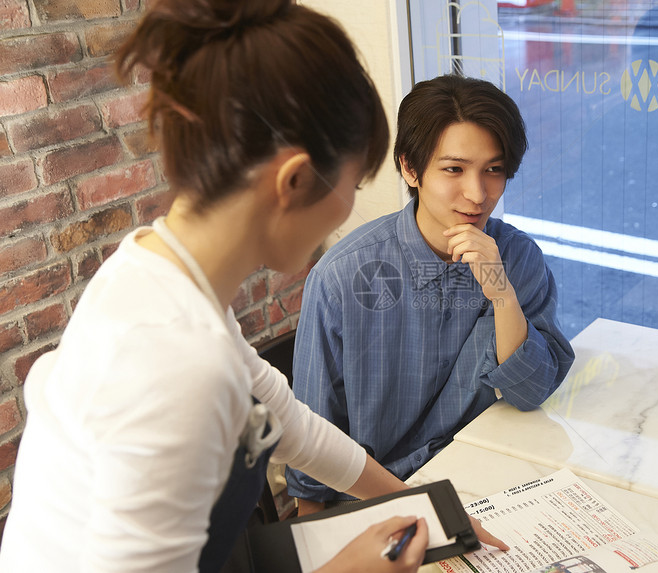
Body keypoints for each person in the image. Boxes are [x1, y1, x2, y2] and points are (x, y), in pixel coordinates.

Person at [0, 3, 506, 571]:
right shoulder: (176, 365)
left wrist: (423, 506)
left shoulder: (160, 273)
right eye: (351, 183)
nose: (347, 212)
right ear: (293, 181)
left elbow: (293, 424)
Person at [287, 74, 575, 513]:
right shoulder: (343, 278)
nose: (477, 194)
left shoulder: (517, 258)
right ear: (409, 167)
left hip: (490, 487)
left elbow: (532, 390)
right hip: (380, 502)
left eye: (493, 170)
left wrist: (500, 291)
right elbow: (312, 455)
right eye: (454, 169)